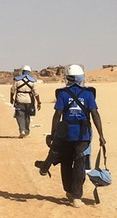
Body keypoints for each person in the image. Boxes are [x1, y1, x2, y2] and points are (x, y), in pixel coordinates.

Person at [37, 64, 105, 208]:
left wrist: (53, 134)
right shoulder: (88, 94)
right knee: (80, 164)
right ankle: (77, 197)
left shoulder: (62, 94)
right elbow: (95, 114)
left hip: (65, 135)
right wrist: (101, 135)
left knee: (66, 163)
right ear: (82, 78)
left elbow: (57, 115)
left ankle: (69, 191)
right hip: (83, 135)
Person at [9, 65, 41, 138]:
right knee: (27, 116)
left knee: (20, 115)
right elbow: (36, 93)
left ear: (22, 71)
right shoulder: (32, 81)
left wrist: (11, 98)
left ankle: (22, 130)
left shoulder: (17, 80)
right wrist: (39, 102)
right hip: (29, 100)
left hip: (19, 100)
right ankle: (26, 131)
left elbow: (12, 90)